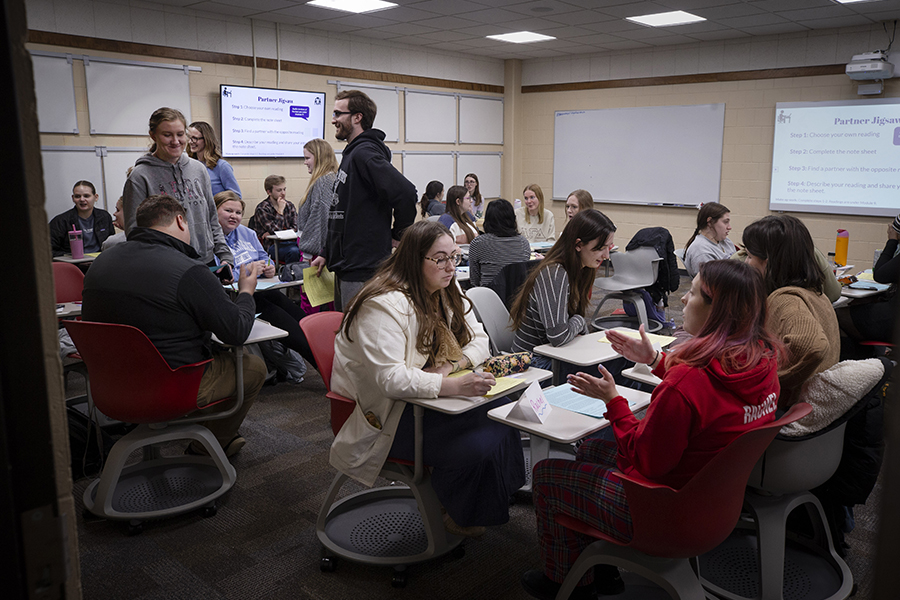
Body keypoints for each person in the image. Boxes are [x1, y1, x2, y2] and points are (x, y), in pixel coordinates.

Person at [521, 259, 783, 600]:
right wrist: (656, 361)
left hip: (664, 512)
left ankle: (566, 586)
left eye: (691, 294)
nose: (684, 301)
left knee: (546, 476)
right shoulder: (762, 362)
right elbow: (708, 396)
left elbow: (645, 461)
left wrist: (613, 401)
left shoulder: (685, 383)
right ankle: (600, 570)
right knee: (588, 451)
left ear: (716, 311)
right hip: (714, 504)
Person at [329, 220, 525, 537]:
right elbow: (390, 380)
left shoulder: (446, 288)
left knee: (503, 410)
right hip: (385, 414)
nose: (451, 267)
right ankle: (460, 508)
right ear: (414, 259)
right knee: (479, 432)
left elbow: (480, 341)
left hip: (419, 397)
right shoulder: (382, 305)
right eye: (440, 259)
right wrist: (451, 385)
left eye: (455, 257)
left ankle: (488, 495)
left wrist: (451, 366)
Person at [82, 195, 266, 457]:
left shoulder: (100, 263)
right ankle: (204, 448)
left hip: (109, 385)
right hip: (169, 387)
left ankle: (212, 434)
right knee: (253, 367)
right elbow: (236, 331)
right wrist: (247, 292)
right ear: (180, 221)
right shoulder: (189, 270)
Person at [312, 89, 417, 310]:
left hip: (362, 269)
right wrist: (327, 254)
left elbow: (406, 193)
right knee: (346, 334)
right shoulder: (353, 153)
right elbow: (342, 212)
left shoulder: (364, 153)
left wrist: (399, 234)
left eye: (338, 114)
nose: (333, 120)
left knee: (357, 336)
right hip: (346, 266)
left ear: (357, 117)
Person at [742, 215, 839, 409]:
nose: (746, 263)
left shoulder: (786, 300)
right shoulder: (817, 295)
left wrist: (765, 379)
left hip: (786, 411)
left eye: (750, 256)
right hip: (811, 410)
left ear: (768, 263)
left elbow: (813, 347)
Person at [123, 107, 233, 268]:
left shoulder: (199, 169)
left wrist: (224, 255)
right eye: (167, 135)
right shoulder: (140, 176)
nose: (175, 141)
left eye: (180, 134)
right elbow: (134, 232)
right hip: (166, 265)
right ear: (153, 136)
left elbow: (211, 217)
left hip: (205, 261)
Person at [215, 191, 314, 368]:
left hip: (264, 289)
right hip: (238, 297)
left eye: (238, 213)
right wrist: (248, 270)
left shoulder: (247, 233)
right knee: (294, 331)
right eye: (228, 210)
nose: (234, 216)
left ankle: (327, 358)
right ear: (214, 211)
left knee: (302, 319)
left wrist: (269, 268)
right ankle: (327, 368)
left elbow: (265, 257)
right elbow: (220, 274)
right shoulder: (209, 240)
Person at [510, 209, 615, 372]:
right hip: (533, 363)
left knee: (619, 361)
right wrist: (580, 321)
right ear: (578, 245)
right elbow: (558, 336)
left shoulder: (581, 269)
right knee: (614, 369)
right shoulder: (555, 273)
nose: (606, 255)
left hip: (554, 354)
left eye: (609, 247)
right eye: (600, 248)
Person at [837, 219, 900, 347]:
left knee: (836, 315)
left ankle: (855, 359)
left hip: (893, 323)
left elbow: (880, 274)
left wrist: (892, 241)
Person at [468, 199, 530, 287]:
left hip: (487, 296)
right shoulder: (523, 243)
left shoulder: (478, 243)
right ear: (513, 219)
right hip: (516, 297)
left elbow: (474, 280)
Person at [296, 139, 339, 261]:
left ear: (319, 158)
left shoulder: (324, 181)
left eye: (307, 158)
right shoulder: (330, 178)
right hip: (315, 247)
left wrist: (307, 254)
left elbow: (319, 218)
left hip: (314, 251)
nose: (305, 162)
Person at [49, 180, 114, 257]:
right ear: (73, 198)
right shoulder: (60, 221)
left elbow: (111, 244)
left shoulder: (104, 217)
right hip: (74, 263)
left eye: (86, 196)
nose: (82, 199)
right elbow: (49, 250)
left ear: (96, 197)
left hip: (100, 262)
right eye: (77, 196)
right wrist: (70, 257)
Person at [253, 175, 299, 264]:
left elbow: (296, 227)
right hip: (272, 246)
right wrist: (280, 211)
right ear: (269, 192)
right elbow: (276, 230)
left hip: (291, 242)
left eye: (284, 189)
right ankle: (291, 274)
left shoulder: (289, 205)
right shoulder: (262, 208)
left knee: (308, 249)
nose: (283, 193)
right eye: (279, 190)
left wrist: (274, 232)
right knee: (293, 251)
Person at [187, 120, 241, 197]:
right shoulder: (189, 165)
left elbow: (236, 196)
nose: (190, 142)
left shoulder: (221, 166)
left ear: (206, 140)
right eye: (189, 137)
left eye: (195, 138)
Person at [682, 202, 736, 278]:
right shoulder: (701, 251)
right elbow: (712, 285)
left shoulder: (725, 241)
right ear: (710, 222)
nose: (729, 227)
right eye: (725, 222)